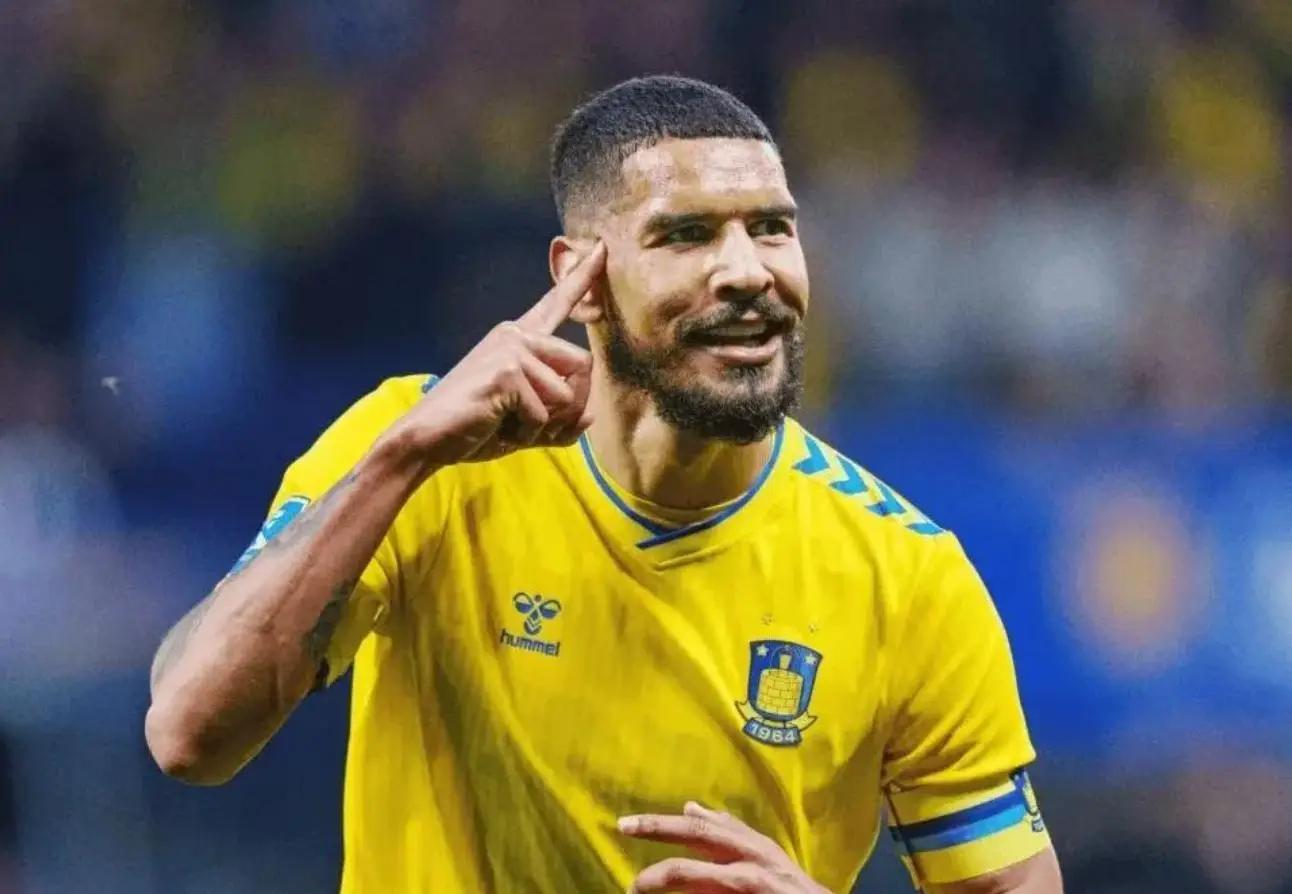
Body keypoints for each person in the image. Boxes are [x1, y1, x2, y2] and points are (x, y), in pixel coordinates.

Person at [145, 75, 1063, 893]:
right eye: (686, 235)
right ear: (582, 279)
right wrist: (400, 459)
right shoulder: (420, 454)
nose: (747, 271)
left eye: (772, 228)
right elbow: (191, 734)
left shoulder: (908, 576)